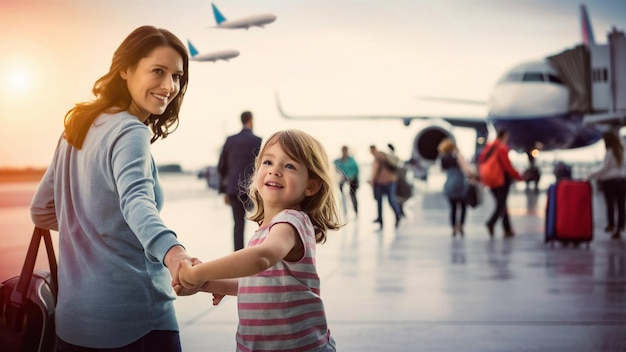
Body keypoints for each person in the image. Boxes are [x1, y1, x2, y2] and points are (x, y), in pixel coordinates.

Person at [29, 26, 204, 351]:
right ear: (125, 69)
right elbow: (138, 204)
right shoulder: (130, 131)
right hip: (134, 321)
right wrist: (175, 254)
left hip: (72, 326)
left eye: (177, 76)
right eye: (158, 71)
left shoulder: (76, 128)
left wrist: (94, 228)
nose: (169, 86)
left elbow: (40, 209)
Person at [178, 129, 342, 351]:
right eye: (268, 162)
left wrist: (198, 272)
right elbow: (255, 284)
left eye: (289, 166)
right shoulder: (264, 232)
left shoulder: (291, 223)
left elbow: (261, 259)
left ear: (311, 186)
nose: (275, 171)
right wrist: (204, 284)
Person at [217, 111, 263, 251]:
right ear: (251, 120)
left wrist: (224, 190)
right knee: (262, 222)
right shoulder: (258, 140)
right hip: (254, 189)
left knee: (238, 225)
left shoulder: (230, 140)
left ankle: (239, 256)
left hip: (234, 188)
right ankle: (260, 252)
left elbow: (221, 166)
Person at [479, 128, 523, 238]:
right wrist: (518, 176)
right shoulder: (501, 148)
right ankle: (491, 223)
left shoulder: (488, 147)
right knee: (501, 205)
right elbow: (507, 165)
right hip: (501, 180)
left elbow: (481, 160)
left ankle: (507, 229)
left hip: (490, 180)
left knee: (502, 204)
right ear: (504, 136)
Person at [587, 131, 626, 239]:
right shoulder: (622, 151)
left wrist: (591, 175)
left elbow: (604, 169)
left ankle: (611, 225)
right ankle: (620, 227)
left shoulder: (609, 152)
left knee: (610, 205)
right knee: (621, 206)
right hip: (622, 182)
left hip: (610, 183)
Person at [438, 138, 475, 236]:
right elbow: (466, 169)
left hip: (449, 184)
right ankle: (461, 224)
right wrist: (473, 175)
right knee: (463, 206)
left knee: (453, 208)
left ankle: (453, 226)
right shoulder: (458, 156)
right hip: (460, 184)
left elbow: (441, 170)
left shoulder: (443, 158)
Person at [369, 145, 402, 229]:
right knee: (390, 200)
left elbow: (375, 172)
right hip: (390, 182)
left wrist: (372, 182)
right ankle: (396, 216)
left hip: (383, 183)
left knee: (382, 202)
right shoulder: (385, 156)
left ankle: (383, 219)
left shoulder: (378, 158)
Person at [334, 145, 359, 217]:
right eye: (343, 150)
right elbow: (335, 168)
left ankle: (355, 211)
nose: (344, 152)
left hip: (352, 180)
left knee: (352, 195)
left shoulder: (352, 160)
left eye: (346, 150)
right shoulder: (338, 161)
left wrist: (352, 177)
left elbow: (356, 170)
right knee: (343, 196)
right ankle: (345, 212)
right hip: (342, 181)